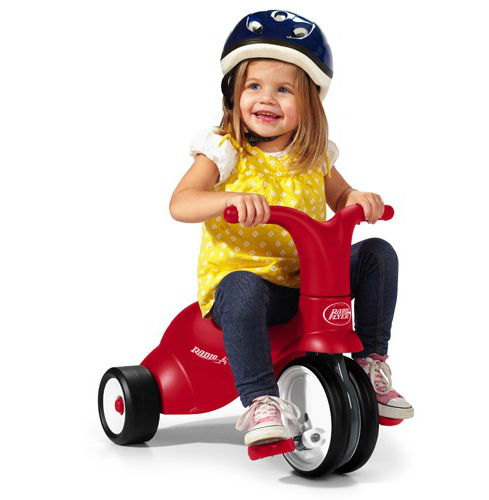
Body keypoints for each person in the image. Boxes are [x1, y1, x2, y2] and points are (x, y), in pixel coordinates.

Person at [169, 9, 414, 447]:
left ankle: (369, 362)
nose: (266, 99)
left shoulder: (313, 156)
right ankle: (261, 400)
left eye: (284, 89)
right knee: (243, 287)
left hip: (308, 283)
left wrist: (359, 199)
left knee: (377, 254)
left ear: (310, 103)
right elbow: (181, 203)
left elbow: (342, 197)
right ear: (233, 92)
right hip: (245, 288)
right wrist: (228, 199)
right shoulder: (225, 150)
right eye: (254, 86)